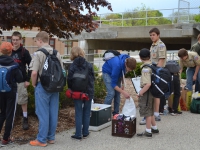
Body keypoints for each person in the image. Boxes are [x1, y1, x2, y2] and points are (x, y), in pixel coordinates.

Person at [29, 31, 63, 147]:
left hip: (42, 86)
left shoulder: (38, 54)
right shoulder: (57, 53)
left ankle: (41, 139)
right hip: (55, 86)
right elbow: (62, 71)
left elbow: (34, 73)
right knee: (53, 112)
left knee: (42, 113)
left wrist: (34, 84)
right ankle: (51, 137)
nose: (36, 44)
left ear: (40, 40)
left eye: (36, 41)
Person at [67, 46, 95, 140]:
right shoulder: (89, 64)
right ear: (82, 53)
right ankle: (86, 132)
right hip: (88, 92)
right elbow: (92, 79)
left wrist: (71, 89)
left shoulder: (72, 66)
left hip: (77, 92)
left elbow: (69, 80)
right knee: (87, 112)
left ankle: (78, 134)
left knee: (78, 112)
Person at [140, 27, 167, 125]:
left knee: (154, 93)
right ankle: (151, 114)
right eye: (150, 35)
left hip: (157, 71)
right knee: (153, 93)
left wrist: (156, 72)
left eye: (153, 35)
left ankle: (154, 114)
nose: (152, 37)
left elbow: (161, 60)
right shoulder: (153, 45)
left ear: (158, 35)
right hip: (153, 69)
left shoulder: (160, 45)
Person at [0, 42, 23, 146]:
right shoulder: (14, 64)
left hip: (0, 92)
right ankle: (6, 139)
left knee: (2, 114)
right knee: (10, 115)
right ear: (10, 51)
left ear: (1, 51)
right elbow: (19, 78)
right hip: (11, 92)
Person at [11, 31, 32, 130]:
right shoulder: (8, 51)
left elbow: (31, 66)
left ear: (20, 40)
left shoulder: (24, 52)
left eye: (16, 40)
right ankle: (12, 118)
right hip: (10, 81)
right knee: (11, 101)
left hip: (21, 81)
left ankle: (25, 118)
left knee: (23, 101)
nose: (14, 42)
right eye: (13, 40)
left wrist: (28, 80)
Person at [137, 48, 159, 138]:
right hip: (154, 91)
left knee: (146, 110)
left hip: (147, 92)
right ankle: (154, 127)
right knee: (150, 110)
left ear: (140, 57)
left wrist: (140, 93)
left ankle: (148, 131)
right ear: (149, 56)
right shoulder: (152, 65)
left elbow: (148, 84)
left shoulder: (145, 68)